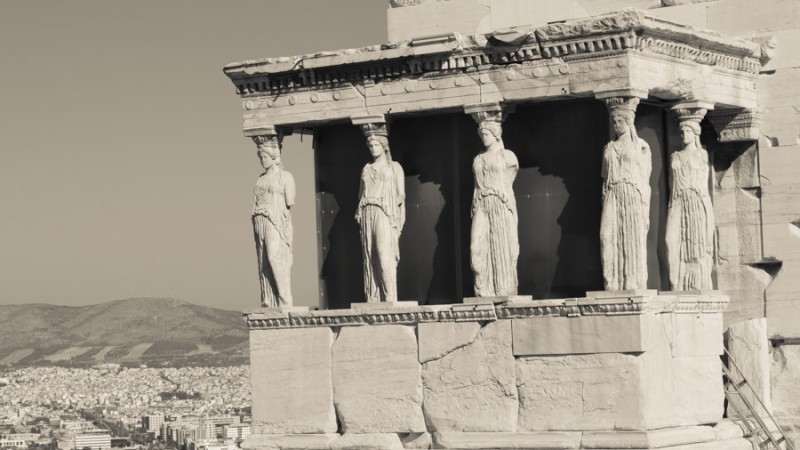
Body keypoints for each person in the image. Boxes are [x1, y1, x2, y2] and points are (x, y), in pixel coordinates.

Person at [600, 100, 651, 291]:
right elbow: (605, 177)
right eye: (614, 121)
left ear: (629, 122)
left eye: (619, 121)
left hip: (632, 193)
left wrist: (645, 209)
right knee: (606, 235)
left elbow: (645, 179)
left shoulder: (642, 147)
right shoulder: (609, 147)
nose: (616, 125)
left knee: (632, 238)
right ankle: (611, 282)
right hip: (613, 192)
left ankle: (633, 282)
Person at [470, 119, 519, 297]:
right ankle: (483, 288)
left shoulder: (508, 157)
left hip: (500, 202)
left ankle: (503, 289)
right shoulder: (477, 159)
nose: (483, 138)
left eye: (486, 134)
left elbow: (508, 180)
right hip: (481, 203)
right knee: (477, 247)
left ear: (495, 135)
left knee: (502, 245)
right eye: (481, 135)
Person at [666, 113, 714, 290]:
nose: (684, 135)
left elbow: (704, 185)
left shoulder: (702, 154)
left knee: (696, 245)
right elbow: (672, 183)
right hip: (678, 201)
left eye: (687, 131)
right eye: (681, 132)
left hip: (696, 201)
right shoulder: (675, 156)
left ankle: (696, 284)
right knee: (670, 241)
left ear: (695, 133)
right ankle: (676, 282)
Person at [355, 133, 405, 302]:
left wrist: (396, 221)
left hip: (385, 212)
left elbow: (401, 195)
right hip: (367, 211)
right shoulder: (366, 168)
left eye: (376, 145)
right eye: (370, 146)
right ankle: (373, 297)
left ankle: (390, 295)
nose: (373, 148)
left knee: (384, 253)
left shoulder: (394, 167)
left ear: (383, 146)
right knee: (369, 255)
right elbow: (361, 194)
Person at [252, 136, 295, 307]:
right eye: (261, 157)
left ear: (274, 157)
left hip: (275, 220)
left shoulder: (285, 177)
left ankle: (285, 299)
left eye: (265, 157)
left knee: (274, 256)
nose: (263, 160)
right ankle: (269, 299)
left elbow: (289, 201)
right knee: (263, 261)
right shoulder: (260, 179)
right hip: (259, 220)